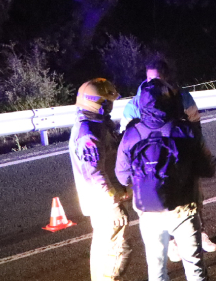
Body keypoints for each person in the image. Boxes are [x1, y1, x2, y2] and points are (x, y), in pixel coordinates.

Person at [116, 79, 216, 281]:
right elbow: (207, 168)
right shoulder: (185, 130)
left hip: (148, 210)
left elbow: (122, 175)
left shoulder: (131, 134)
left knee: (157, 268)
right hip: (184, 208)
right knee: (194, 266)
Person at [69, 79, 132, 281]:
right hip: (103, 202)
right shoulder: (88, 134)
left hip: (102, 198)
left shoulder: (95, 124)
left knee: (102, 247)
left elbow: (110, 148)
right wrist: (113, 204)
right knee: (117, 251)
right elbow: (95, 173)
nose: (111, 105)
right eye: (108, 101)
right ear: (100, 103)